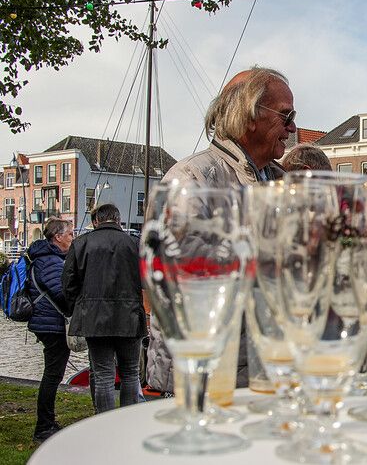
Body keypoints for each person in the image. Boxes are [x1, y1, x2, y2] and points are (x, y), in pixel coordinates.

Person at [147, 66, 294, 394]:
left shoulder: (283, 183)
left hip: (266, 373)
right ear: (250, 115)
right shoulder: (191, 178)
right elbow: (174, 276)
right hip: (203, 380)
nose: (293, 127)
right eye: (286, 116)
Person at [62, 203, 146, 413]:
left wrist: (79, 307)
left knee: (103, 374)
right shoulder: (134, 243)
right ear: (118, 221)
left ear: (96, 221)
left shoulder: (81, 243)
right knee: (130, 372)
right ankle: (129, 420)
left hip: (94, 317)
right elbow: (147, 280)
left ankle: (105, 422)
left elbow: (68, 283)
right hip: (130, 317)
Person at [27, 218, 75, 443]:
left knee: (53, 374)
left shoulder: (48, 258)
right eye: (69, 235)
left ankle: (48, 422)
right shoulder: (51, 261)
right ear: (57, 237)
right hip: (51, 325)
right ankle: (43, 427)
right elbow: (61, 294)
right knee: (52, 375)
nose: (72, 238)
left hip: (46, 322)